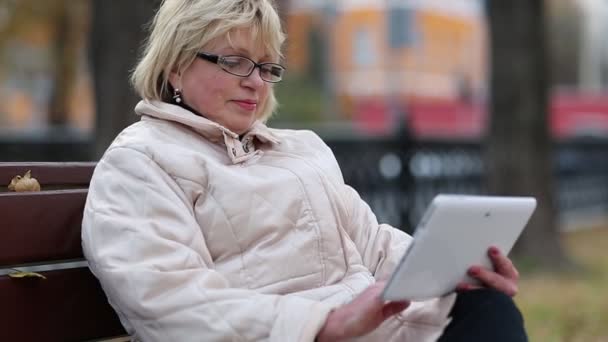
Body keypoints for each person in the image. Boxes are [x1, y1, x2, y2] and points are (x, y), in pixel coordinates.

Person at [81, 0, 528, 341]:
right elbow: (167, 302)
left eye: (265, 66)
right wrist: (323, 324)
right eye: (234, 62)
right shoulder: (140, 162)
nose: (255, 81)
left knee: (486, 306)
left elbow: (372, 245)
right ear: (176, 65)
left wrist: (455, 270)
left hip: (367, 329)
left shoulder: (299, 149)